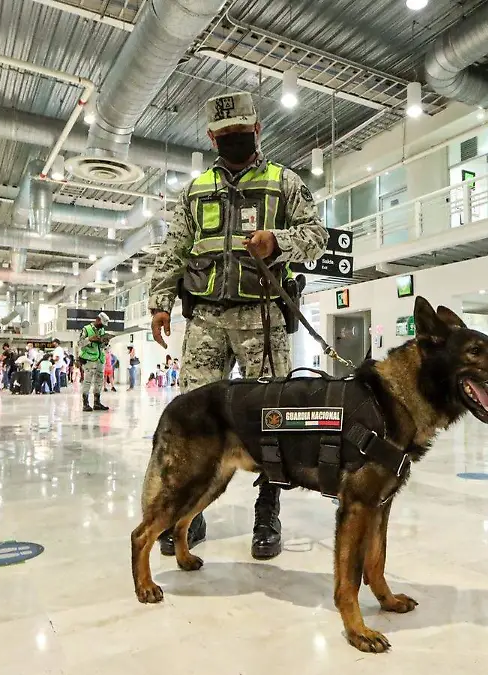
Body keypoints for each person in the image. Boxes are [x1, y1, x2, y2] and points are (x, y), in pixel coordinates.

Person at [147, 91, 327, 561]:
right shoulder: (195, 190)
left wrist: (278, 241)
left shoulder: (282, 182)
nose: (234, 141)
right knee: (194, 418)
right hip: (205, 317)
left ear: (258, 130)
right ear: (211, 137)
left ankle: (267, 512)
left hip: (262, 317)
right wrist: (159, 301)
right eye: (225, 136)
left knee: (273, 420)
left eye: (241, 133)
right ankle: (192, 512)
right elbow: (174, 248)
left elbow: (316, 238)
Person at [80, 312, 110, 412]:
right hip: (89, 359)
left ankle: (97, 403)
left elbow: (101, 346)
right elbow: (80, 343)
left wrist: (104, 342)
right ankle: (85, 404)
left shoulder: (102, 330)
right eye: (101, 323)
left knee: (99, 381)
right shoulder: (86, 329)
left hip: (100, 359)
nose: (102, 326)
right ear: (97, 319)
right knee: (87, 381)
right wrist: (90, 339)